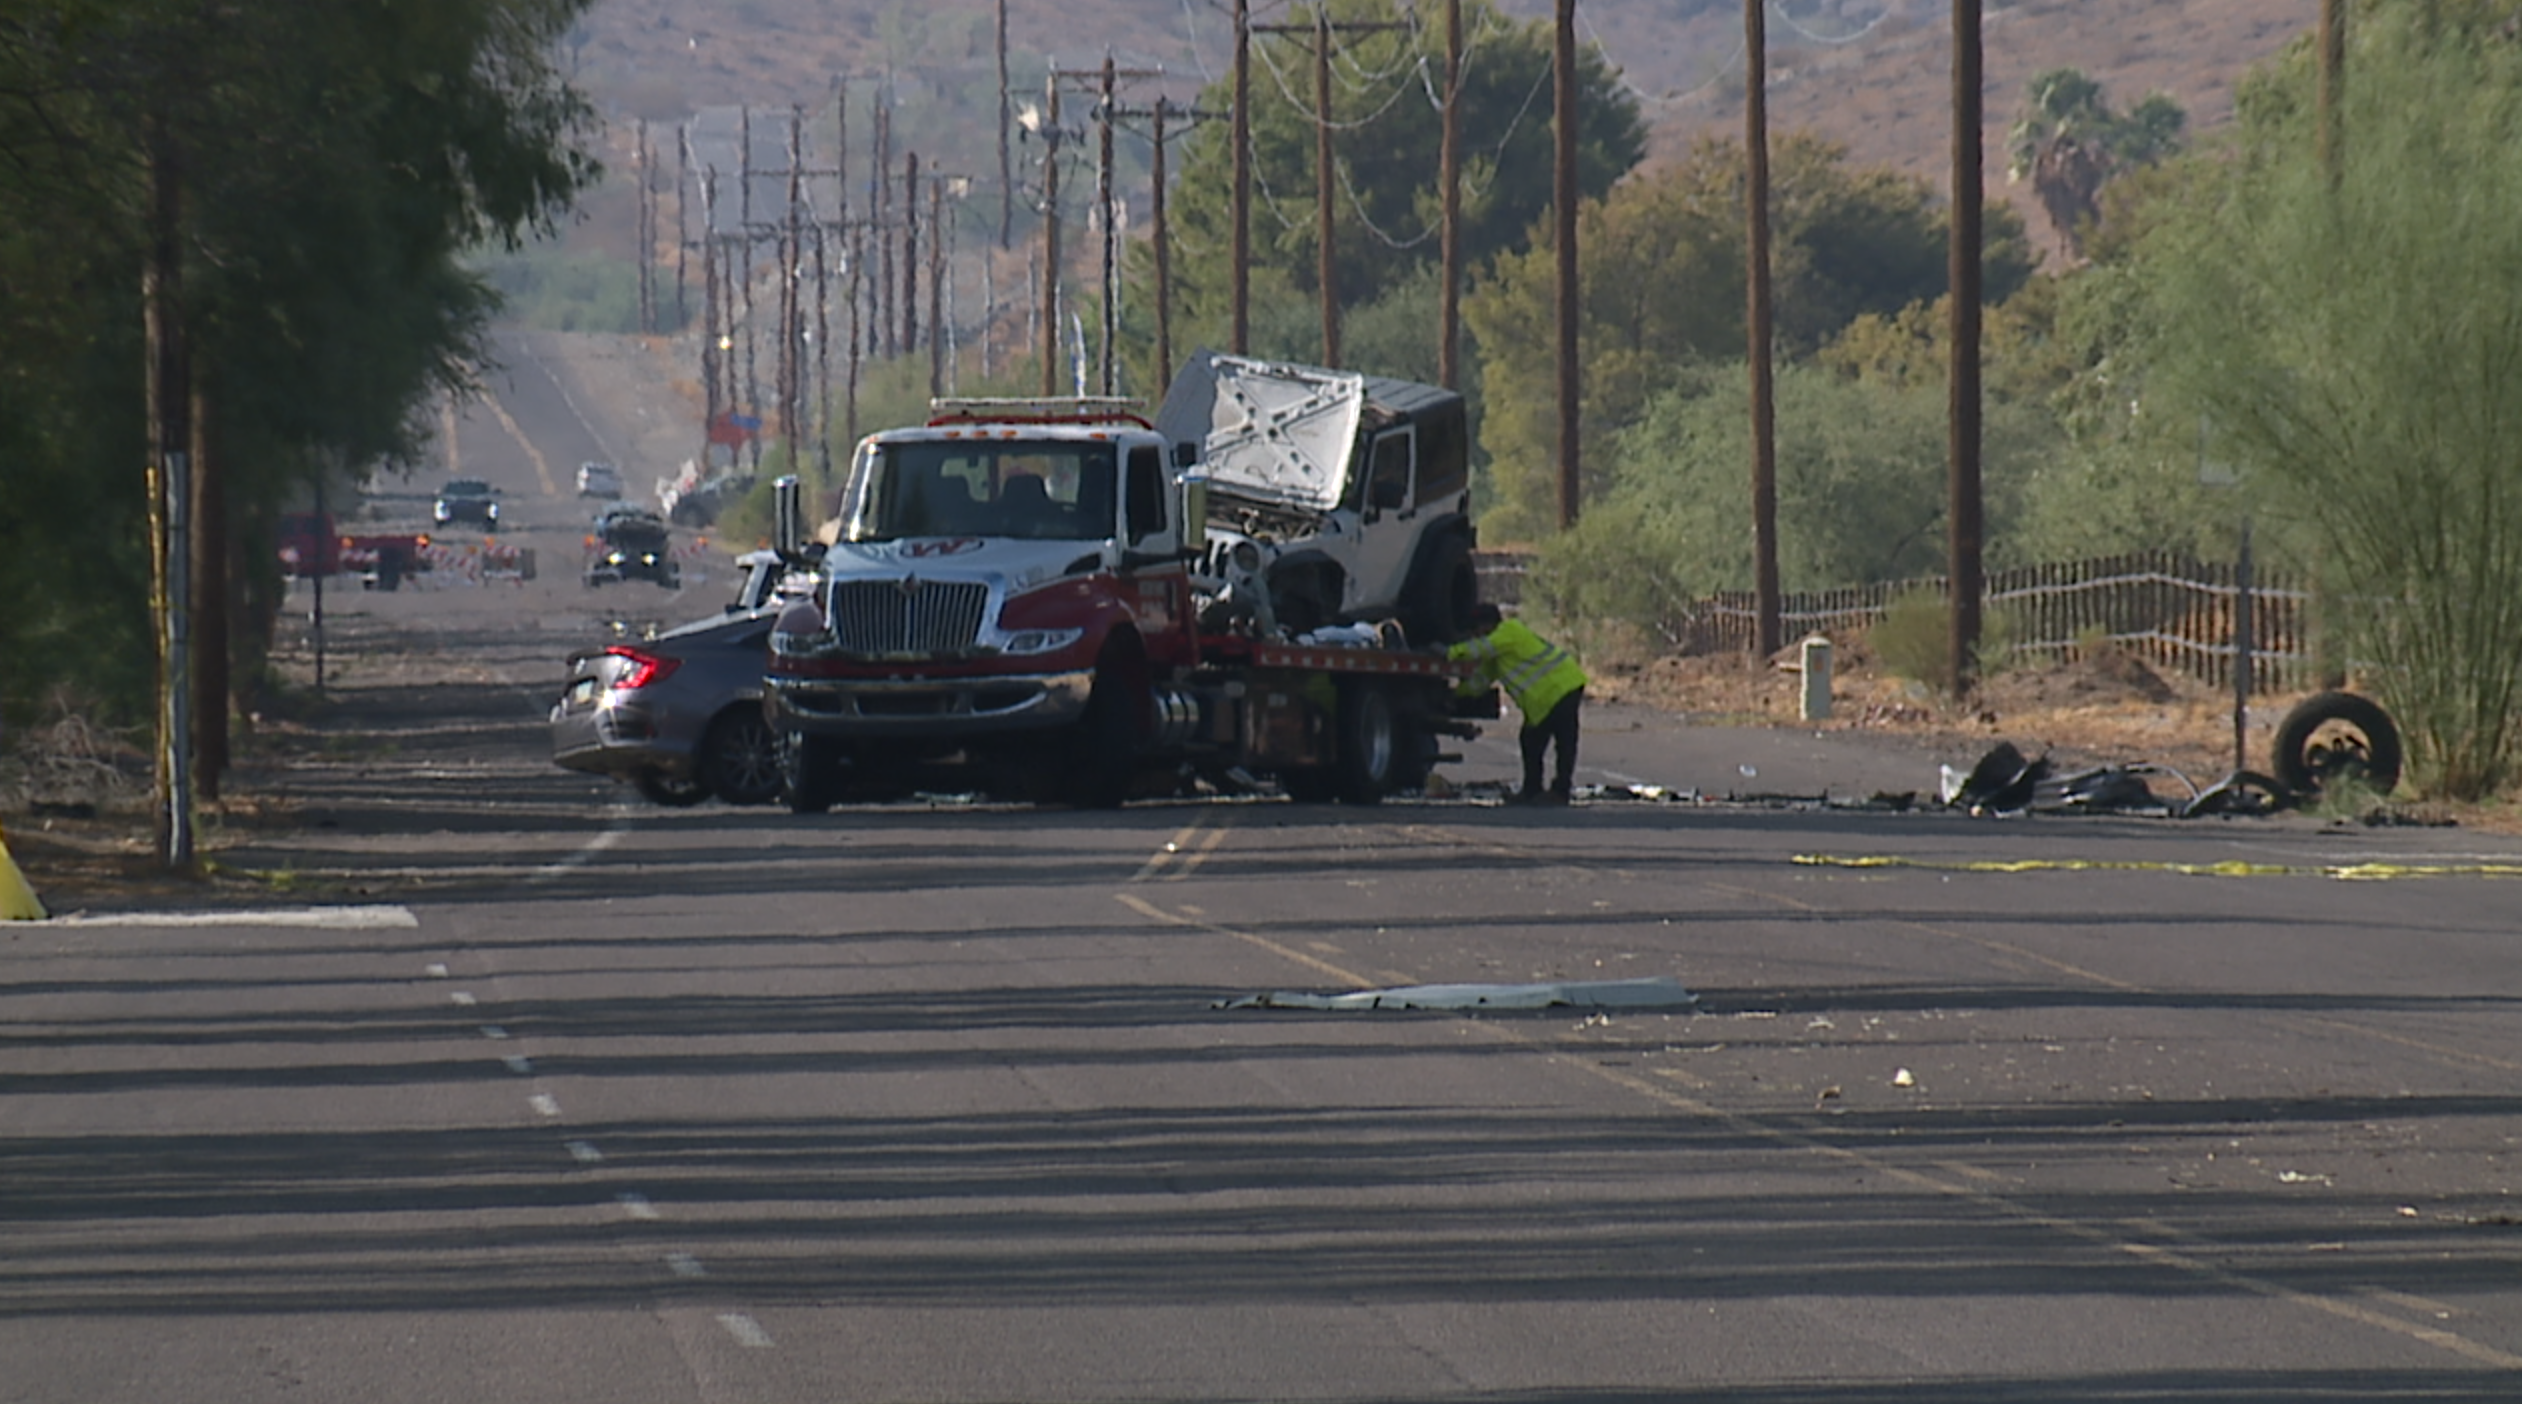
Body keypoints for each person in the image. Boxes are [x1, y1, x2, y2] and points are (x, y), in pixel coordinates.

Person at [1450, 602, 1587, 804]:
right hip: (1547, 697)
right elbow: (1481, 681)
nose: (1475, 634)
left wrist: (1448, 652)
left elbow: (1478, 649)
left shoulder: (1509, 631)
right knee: (1531, 739)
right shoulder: (1498, 652)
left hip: (1562, 686)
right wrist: (1455, 694)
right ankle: (1533, 790)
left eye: (1476, 629)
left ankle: (1559, 791)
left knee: (1563, 740)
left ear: (1488, 624)